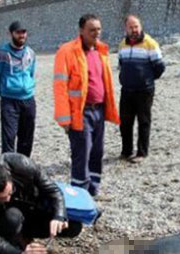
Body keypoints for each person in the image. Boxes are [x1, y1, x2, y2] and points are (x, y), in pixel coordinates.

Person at [53, 14, 119, 196]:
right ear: (81, 31)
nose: (96, 33)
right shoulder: (67, 52)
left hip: (99, 110)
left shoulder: (101, 51)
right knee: (82, 154)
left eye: (98, 29)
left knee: (97, 152)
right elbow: (60, 87)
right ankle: (79, 194)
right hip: (79, 113)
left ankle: (93, 188)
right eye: (92, 30)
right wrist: (64, 119)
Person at [118, 14, 166, 163]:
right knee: (125, 122)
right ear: (126, 28)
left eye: (136, 26)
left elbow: (160, 66)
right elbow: (121, 64)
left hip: (144, 90)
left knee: (143, 121)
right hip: (126, 90)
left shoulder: (150, 43)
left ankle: (141, 152)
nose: (134, 30)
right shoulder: (122, 45)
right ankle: (126, 151)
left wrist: (147, 80)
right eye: (131, 27)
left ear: (141, 27)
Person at [0, 21, 37, 157]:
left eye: (23, 32)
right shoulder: (1, 54)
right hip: (9, 101)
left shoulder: (30, 53)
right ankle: (8, 171)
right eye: (18, 32)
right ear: (11, 34)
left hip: (28, 100)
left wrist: (27, 88)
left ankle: (24, 170)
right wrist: (4, 92)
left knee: (27, 139)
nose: (21, 35)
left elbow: (31, 74)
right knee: (9, 138)